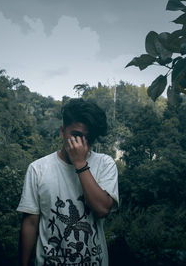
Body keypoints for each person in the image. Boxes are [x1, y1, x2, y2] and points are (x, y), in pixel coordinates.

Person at [17, 98, 119, 266]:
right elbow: (30, 223)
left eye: (88, 138)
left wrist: (80, 164)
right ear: (62, 132)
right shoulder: (38, 169)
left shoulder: (105, 164)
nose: (81, 144)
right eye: (76, 135)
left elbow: (102, 209)